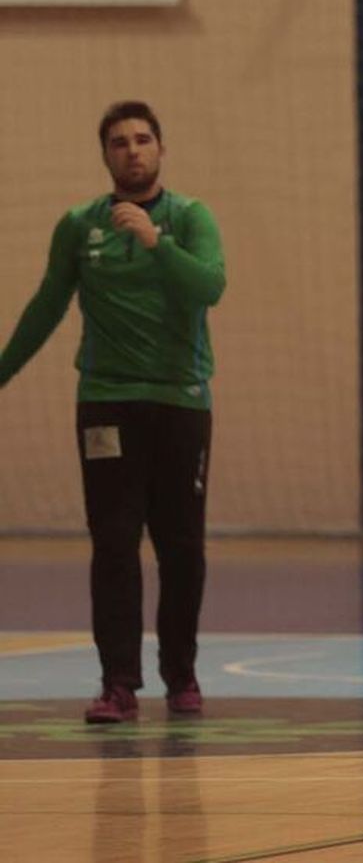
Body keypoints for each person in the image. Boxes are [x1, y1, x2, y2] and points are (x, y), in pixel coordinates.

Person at [0, 101, 225, 724]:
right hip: (106, 401)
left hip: (180, 402)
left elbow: (209, 286)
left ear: (161, 149)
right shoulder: (78, 226)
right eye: (120, 142)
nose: (133, 150)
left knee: (181, 546)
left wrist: (156, 244)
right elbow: (45, 306)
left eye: (144, 139)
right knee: (114, 543)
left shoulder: (189, 217)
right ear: (105, 155)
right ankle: (118, 684)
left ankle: (181, 674)